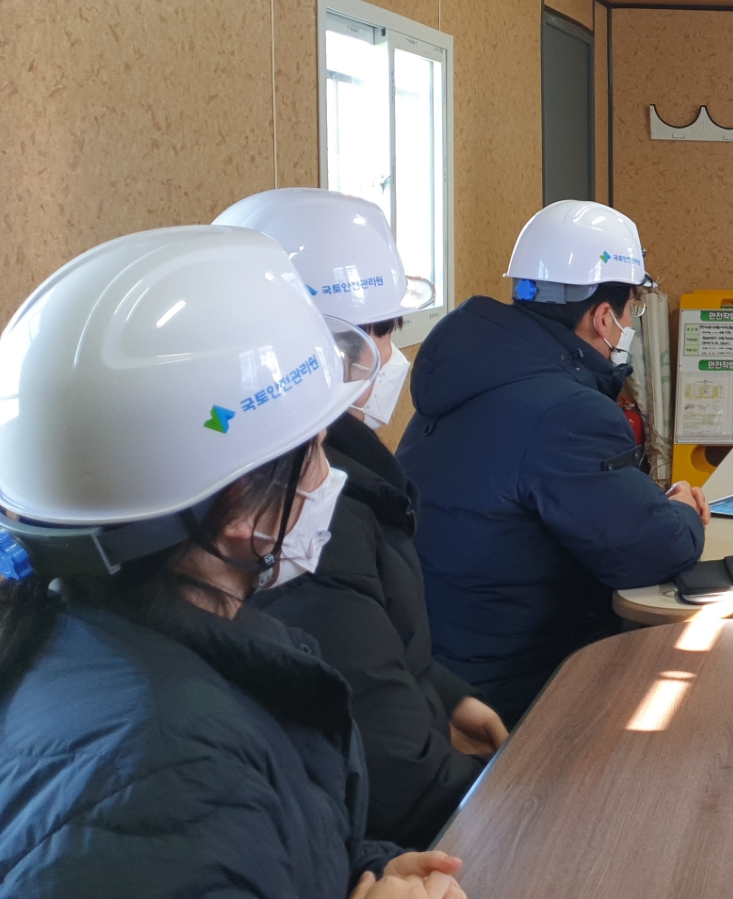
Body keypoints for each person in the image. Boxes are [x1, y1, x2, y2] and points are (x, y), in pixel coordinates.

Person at [0, 225, 464, 897]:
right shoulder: (166, 777)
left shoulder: (86, 634)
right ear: (242, 513)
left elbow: (272, 840)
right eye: (313, 453)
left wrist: (364, 870)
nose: (328, 477)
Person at [216, 187, 508, 847]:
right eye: (380, 331)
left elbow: (368, 648)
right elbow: (394, 772)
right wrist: (506, 805)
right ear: (321, 348)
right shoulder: (307, 506)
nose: (390, 356)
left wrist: (446, 695)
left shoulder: (342, 476)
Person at [398, 200, 709, 727]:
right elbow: (652, 549)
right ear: (603, 316)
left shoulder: (474, 373)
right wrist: (678, 509)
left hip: (441, 667)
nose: (630, 322)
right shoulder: (566, 411)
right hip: (517, 682)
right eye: (631, 308)